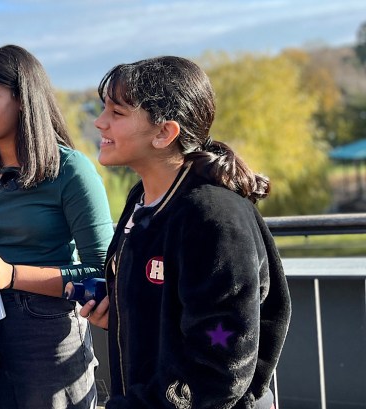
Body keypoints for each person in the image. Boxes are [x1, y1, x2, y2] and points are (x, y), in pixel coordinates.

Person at [81, 56, 291, 408]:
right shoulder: (143, 199)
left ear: (165, 132)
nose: (100, 123)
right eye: (104, 110)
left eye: (117, 114)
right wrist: (121, 306)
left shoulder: (211, 216)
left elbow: (220, 366)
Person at [0, 45, 115, 408]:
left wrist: (11, 274)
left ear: (23, 100)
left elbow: (104, 271)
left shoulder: (70, 171)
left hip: (48, 335)